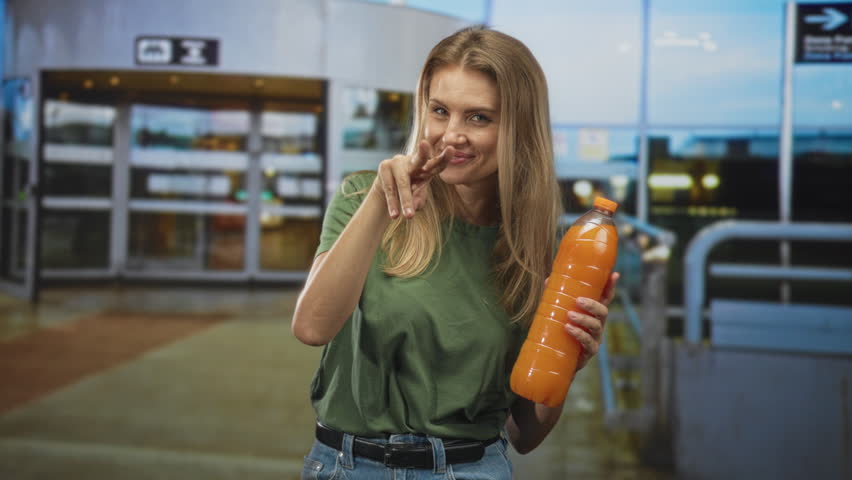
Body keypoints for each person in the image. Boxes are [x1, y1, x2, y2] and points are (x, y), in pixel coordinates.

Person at [292, 26, 619, 480]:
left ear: (518, 129)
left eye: (479, 118)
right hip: (347, 467)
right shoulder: (362, 199)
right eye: (440, 111)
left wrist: (566, 362)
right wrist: (378, 206)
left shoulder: (531, 249)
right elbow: (311, 327)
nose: (451, 135)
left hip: (471, 470)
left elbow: (526, 434)